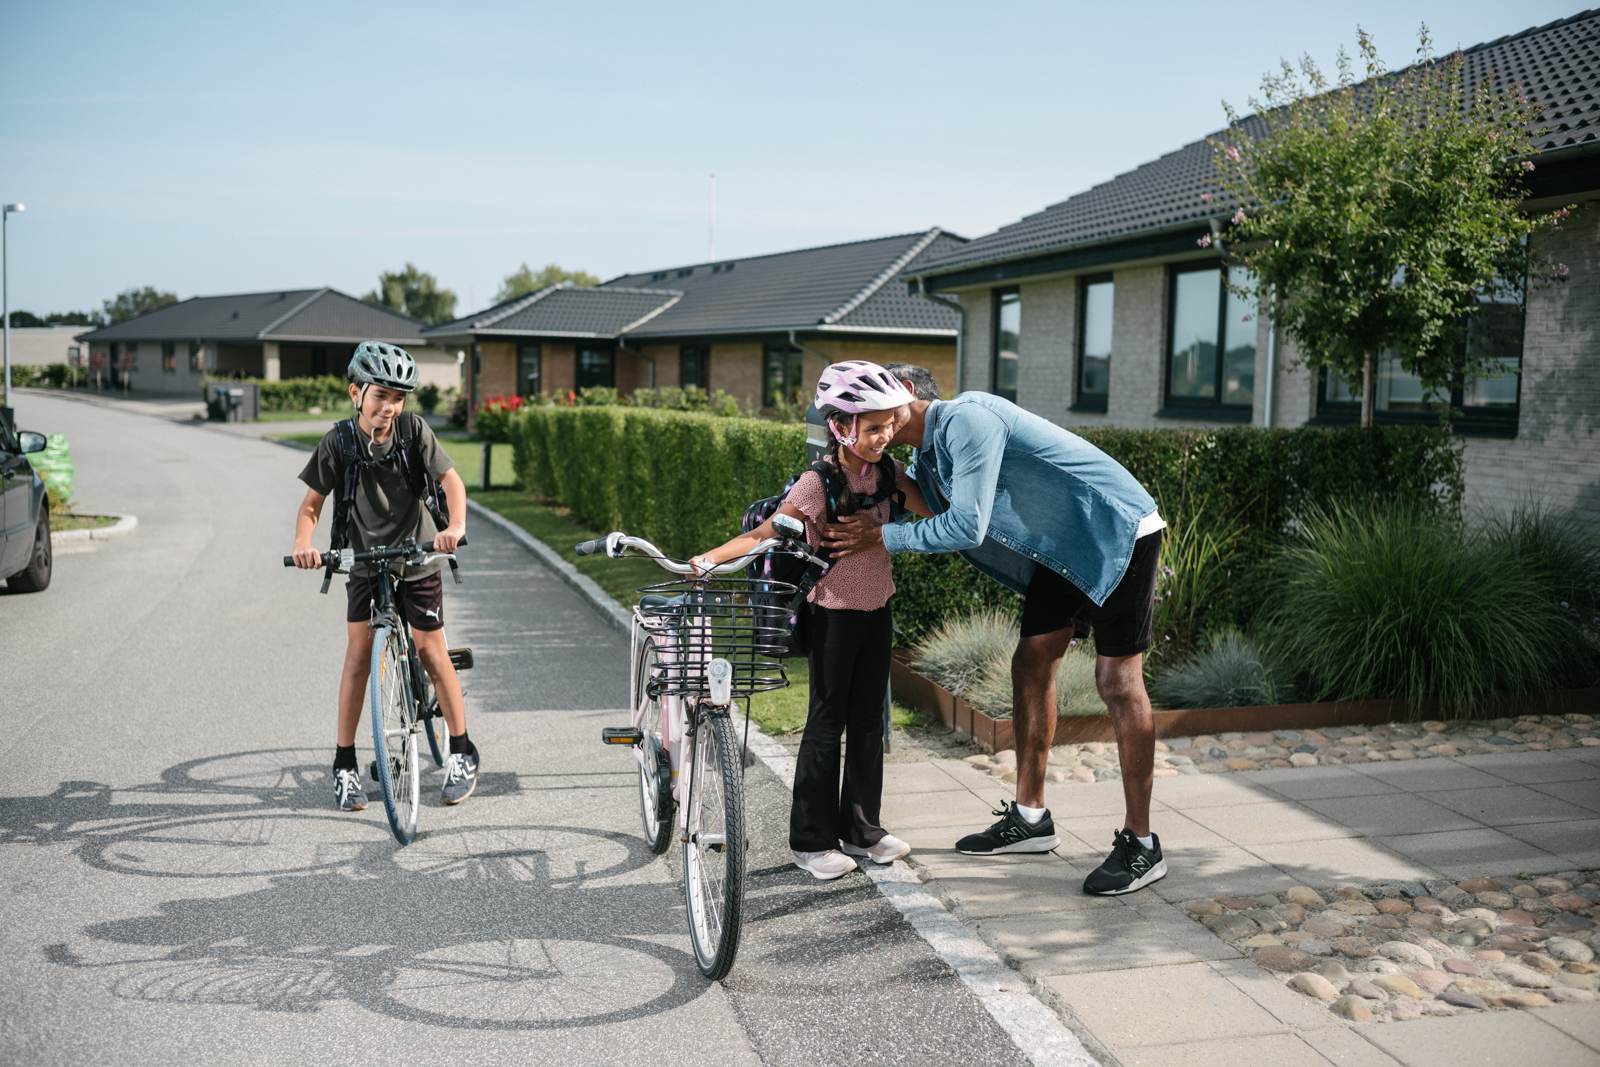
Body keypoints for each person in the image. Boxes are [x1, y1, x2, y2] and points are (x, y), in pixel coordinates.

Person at [823, 364, 1168, 896]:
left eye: (876, 407)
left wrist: (883, 537)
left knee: (1117, 682)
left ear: (907, 394)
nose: (870, 420)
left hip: (1116, 525)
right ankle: (1030, 820)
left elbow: (965, 524)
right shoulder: (927, 457)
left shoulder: (966, 421)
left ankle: (1142, 846)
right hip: (1064, 545)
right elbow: (919, 498)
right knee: (1031, 662)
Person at [690, 362, 934, 881]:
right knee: (827, 723)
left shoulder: (888, 473)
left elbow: (937, 509)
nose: (885, 435)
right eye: (873, 427)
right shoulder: (816, 483)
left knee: (869, 723)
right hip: (832, 614)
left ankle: (863, 829)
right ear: (841, 427)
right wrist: (709, 558)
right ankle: (811, 840)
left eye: (890, 424)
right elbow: (762, 536)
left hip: (877, 610)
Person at [290, 342, 477, 812]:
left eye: (398, 397)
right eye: (380, 396)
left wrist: (454, 528)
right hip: (366, 560)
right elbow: (311, 506)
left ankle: (461, 751)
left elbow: (453, 482)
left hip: (419, 552)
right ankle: (345, 763)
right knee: (357, 657)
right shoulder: (339, 442)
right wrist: (303, 544)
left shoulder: (414, 432)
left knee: (431, 650)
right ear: (357, 393)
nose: (389, 407)